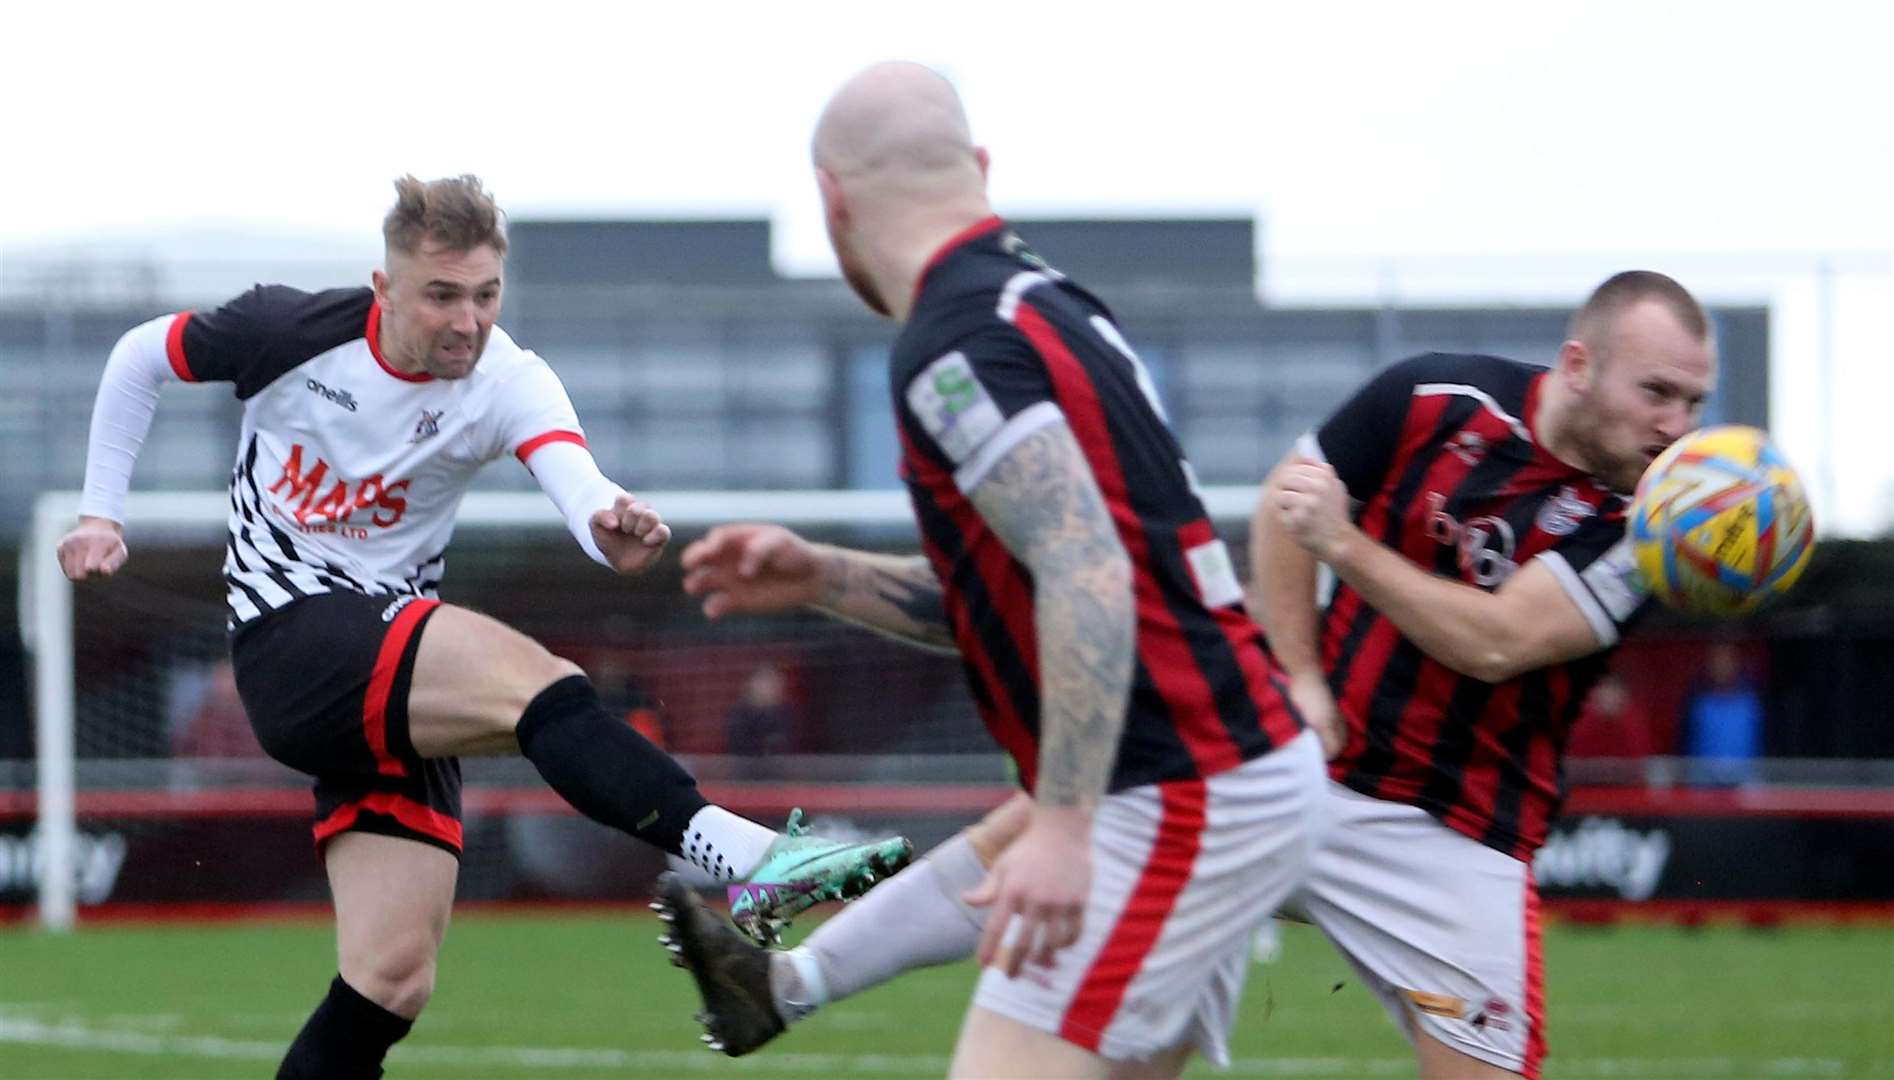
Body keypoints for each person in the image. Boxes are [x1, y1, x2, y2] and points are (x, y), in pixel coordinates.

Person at [659, 268, 1717, 1080]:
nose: (1676, 426)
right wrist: (1299, 677)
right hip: (1287, 771)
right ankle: (785, 985)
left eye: (1693, 402)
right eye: (1657, 392)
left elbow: (1493, 639)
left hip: (1452, 838)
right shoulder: (1431, 396)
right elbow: (1285, 507)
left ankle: (790, 977)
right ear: (1577, 364)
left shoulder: (1653, 526)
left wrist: (1348, 547)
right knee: (1045, 841)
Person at [54, 174, 912, 1080]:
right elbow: (139, 357)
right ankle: (752, 859)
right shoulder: (287, 330)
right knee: (537, 680)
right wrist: (101, 513)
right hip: (291, 640)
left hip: (387, 665)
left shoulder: (507, 375)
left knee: (389, 978)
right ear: (384, 290)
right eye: (443, 295)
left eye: (486, 294)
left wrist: (609, 526)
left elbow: (576, 479)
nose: (468, 321)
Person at [656, 62, 1326, 1080]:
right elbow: (1033, 586)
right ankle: (787, 986)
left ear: (832, 201)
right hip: (1211, 772)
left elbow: (1084, 562)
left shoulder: (954, 344)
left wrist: (1061, 829)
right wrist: (822, 575)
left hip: (1179, 787)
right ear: (977, 167)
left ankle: (790, 984)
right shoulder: (1044, 307)